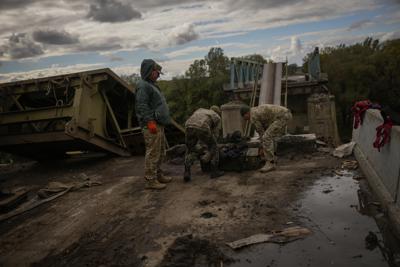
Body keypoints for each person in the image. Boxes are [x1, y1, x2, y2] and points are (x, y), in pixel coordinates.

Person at [135, 59, 172, 190]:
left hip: (158, 124)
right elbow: (142, 106)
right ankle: (150, 180)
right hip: (151, 125)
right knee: (153, 153)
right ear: (149, 71)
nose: (158, 75)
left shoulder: (152, 85)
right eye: (156, 72)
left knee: (160, 152)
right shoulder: (143, 86)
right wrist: (150, 122)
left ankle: (158, 174)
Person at [241, 104, 292, 173]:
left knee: (266, 137)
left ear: (247, 113)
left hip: (282, 117)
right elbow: (265, 127)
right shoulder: (255, 110)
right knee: (270, 136)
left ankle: (270, 163)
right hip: (285, 114)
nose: (245, 119)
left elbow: (261, 133)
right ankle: (273, 157)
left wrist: (262, 148)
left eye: (244, 117)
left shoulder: (253, 116)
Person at [184, 105, 224, 182]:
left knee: (190, 149)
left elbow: (195, 124)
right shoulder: (217, 117)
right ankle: (214, 171)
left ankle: (187, 172)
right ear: (218, 112)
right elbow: (215, 134)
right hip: (202, 126)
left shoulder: (200, 109)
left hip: (188, 125)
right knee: (214, 147)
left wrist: (202, 146)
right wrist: (210, 148)